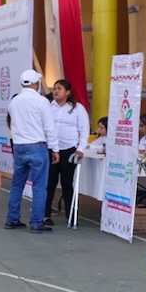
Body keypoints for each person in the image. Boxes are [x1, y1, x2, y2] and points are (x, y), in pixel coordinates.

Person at [5, 69, 60, 233]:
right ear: (36, 83)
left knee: (17, 184)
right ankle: (36, 221)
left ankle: (12, 218)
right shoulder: (42, 101)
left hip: (19, 145)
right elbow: (49, 127)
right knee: (39, 186)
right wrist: (55, 149)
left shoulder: (14, 102)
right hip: (37, 146)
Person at [44, 79, 90, 226]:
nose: (56, 91)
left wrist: (81, 148)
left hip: (69, 149)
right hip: (51, 149)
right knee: (49, 183)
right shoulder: (48, 106)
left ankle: (71, 215)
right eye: (54, 88)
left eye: (59, 89)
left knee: (67, 183)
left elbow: (84, 129)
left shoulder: (77, 109)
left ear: (68, 92)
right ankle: (45, 215)